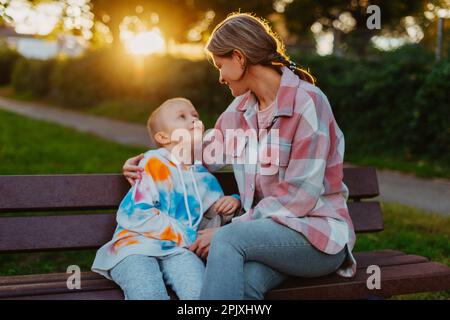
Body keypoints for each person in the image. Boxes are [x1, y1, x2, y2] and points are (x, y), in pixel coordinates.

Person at [122, 13, 356, 300]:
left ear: (239, 58)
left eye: (220, 66)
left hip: (317, 238)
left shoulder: (308, 103)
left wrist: (231, 230)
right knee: (241, 287)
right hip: (264, 237)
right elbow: (200, 155)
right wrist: (148, 160)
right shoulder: (239, 110)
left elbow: (299, 196)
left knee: (228, 240)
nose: (219, 77)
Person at [92, 97, 241, 300]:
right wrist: (188, 237)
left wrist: (232, 204)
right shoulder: (153, 163)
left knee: (199, 293)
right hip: (135, 247)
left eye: (195, 115)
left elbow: (210, 220)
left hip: (178, 250)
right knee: (148, 293)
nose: (193, 120)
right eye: (182, 116)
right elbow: (137, 213)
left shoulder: (204, 177)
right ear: (163, 137)